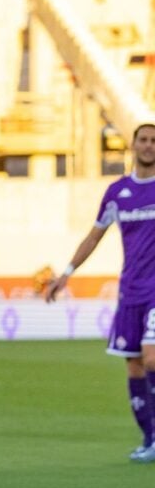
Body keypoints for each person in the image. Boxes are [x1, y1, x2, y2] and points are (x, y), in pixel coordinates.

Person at [46, 122, 155, 463]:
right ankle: (150, 439)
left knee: (152, 358)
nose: (149, 145)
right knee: (134, 365)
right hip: (130, 291)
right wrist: (66, 273)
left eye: (154, 141)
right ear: (133, 145)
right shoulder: (117, 192)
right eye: (143, 140)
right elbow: (94, 236)